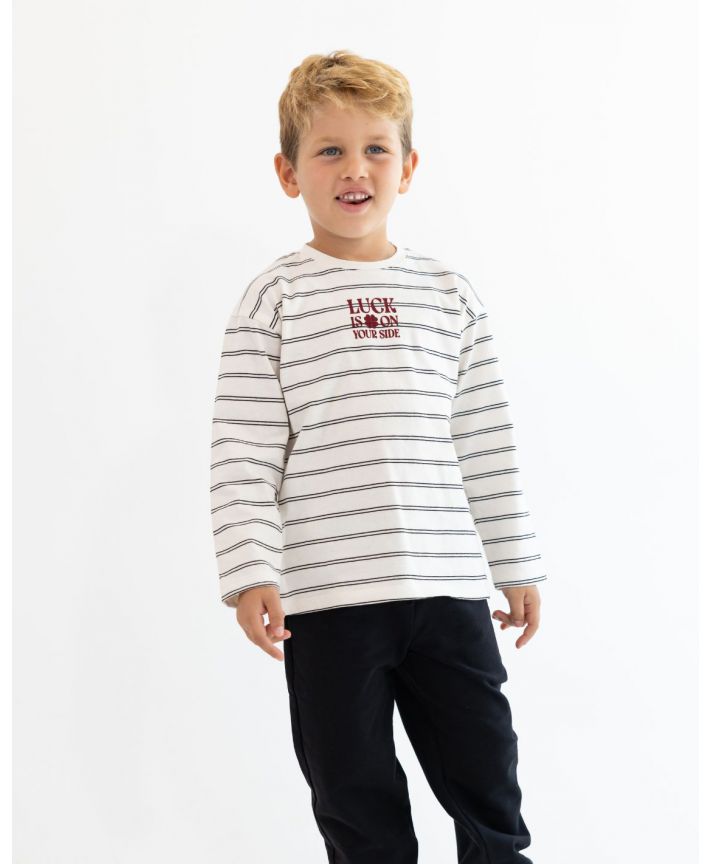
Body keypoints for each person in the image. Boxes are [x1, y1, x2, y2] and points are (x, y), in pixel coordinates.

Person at [210, 49, 548, 864]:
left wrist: (514, 562)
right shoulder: (275, 297)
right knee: (353, 795)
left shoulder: (448, 294)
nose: (354, 168)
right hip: (329, 601)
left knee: (486, 780)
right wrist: (251, 571)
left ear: (408, 166)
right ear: (288, 173)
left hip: (446, 590)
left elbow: (484, 439)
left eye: (375, 149)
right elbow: (244, 448)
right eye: (328, 150)